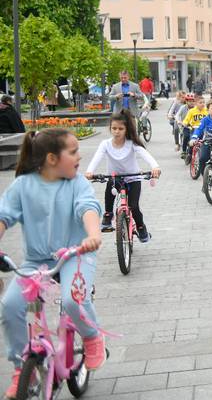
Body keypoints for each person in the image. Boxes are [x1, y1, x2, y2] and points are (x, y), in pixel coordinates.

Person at [0, 128, 107, 393]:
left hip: (76, 254)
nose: (79, 157)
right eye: (73, 152)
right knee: (10, 306)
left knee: (73, 300)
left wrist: (93, 235)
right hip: (36, 260)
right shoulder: (23, 186)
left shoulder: (77, 184)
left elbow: (88, 207)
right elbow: (4, 215)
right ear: (51, 158)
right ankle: (21, 368)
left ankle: (92, 337)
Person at [84, 111, 161, 242]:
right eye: (114, 128)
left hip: (133, 179)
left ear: (126, 129)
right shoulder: (105, 144)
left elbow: (145, 154)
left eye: (120, 129)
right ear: (110, 128)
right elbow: (97, 158)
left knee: (134, 206)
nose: (117, 131)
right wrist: (89, 171)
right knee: (110, 186)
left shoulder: (132, 143)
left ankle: (141, 227)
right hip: (115, 179)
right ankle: (108, 215)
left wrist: (155, 167)